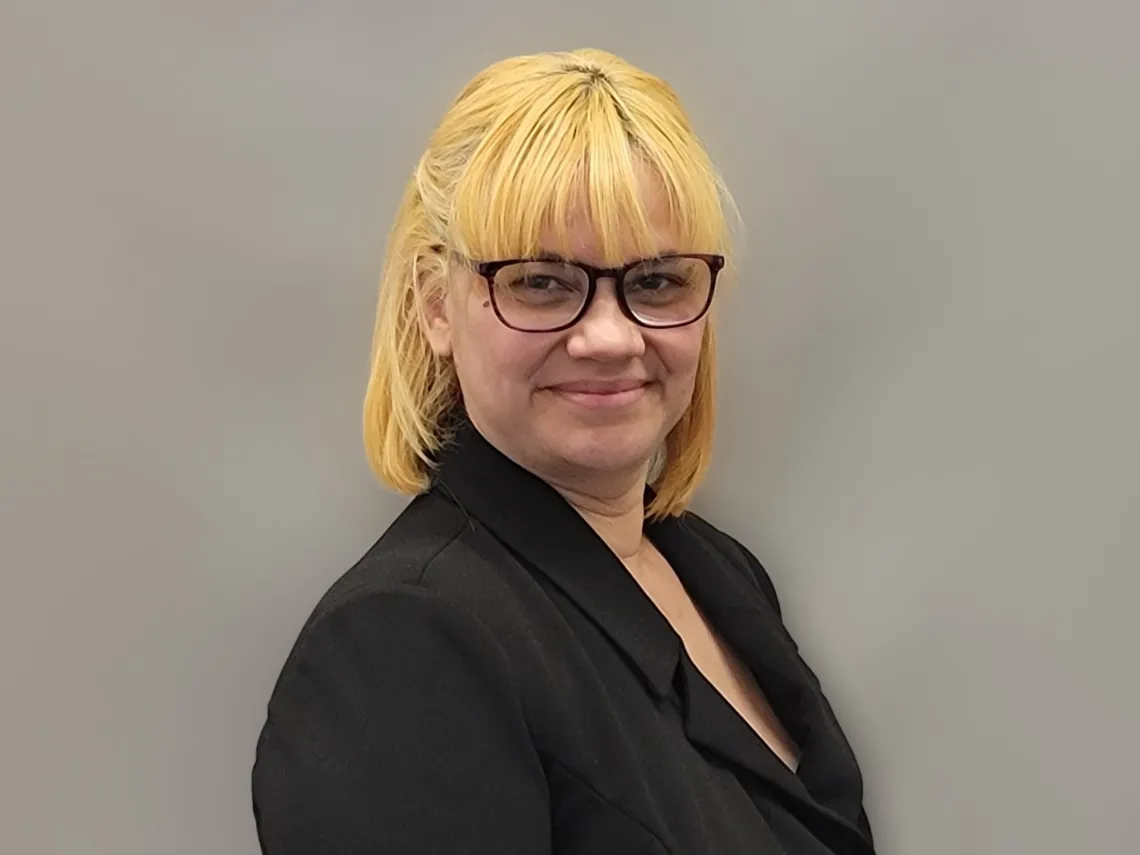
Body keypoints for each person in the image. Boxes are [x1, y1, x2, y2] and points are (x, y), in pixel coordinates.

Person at [251, 48, 876, 855]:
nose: (609, 337)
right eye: (541, 282)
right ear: (436, 306)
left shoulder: (717, 573)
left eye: (656, 281)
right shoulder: (402, 643)